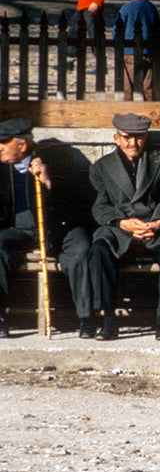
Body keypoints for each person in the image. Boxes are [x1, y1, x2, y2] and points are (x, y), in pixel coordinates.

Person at [89, 113, 160, 340]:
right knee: (98, 250)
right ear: (116, 138)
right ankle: (108, 318)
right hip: (120, 229)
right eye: (127, 138)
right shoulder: (102, 167)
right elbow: (100, 206)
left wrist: (159, 222)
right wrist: (122, 222)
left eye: (139, 137)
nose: (133, 143)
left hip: (154, 227)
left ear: (146, 137)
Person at [0, 118, 94, 338]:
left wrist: (50, 182)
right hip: (17, 230)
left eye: (4, 142)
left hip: (57, 228)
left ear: (22, 144)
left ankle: (86, 318)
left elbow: (83, 195)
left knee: (81, 248)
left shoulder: (57, 159)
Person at [115, 0, 160, 101]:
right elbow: (156, 30)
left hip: (129, 52)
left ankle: (128, 111)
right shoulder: (151, 8)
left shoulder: (125, 9)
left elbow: (117, 31)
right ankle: (150, 109)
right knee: (148, 85)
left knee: (128, 86)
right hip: (148, 53)